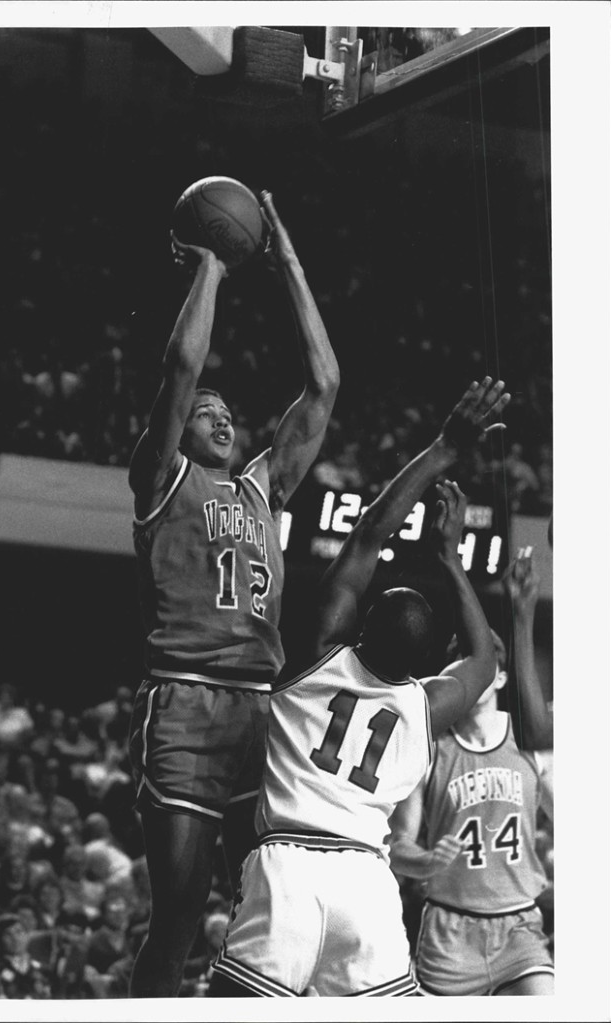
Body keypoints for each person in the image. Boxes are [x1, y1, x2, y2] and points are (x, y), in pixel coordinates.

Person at [208, 378, 510, 997]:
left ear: (361, 624)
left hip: (288, 866)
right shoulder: (428, 705)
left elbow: (370, 531)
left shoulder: (321, 653)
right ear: (428, 661)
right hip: (369, 887)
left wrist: (443, 450)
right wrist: (452, 561)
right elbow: (481, 660)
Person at [127, 191, 340, 997]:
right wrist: (213, 265)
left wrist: (285, 260)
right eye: (204, 413)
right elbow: (182, 368)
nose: (219, 414)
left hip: (257, 707)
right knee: (180, 909)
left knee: (265, 903)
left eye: (226, 411)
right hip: (184, 702)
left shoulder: (261, 488)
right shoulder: (160, 479)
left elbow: (323, 385)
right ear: (175, 431)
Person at [388, 547, 554, 996]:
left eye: (480, 664)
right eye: (460, 661)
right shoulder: (430, 749)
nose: (471, 671)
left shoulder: (530, 741)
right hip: (448, 929)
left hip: (519, 926)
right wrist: (422, 860)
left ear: (499, 677)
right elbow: (397, 844)